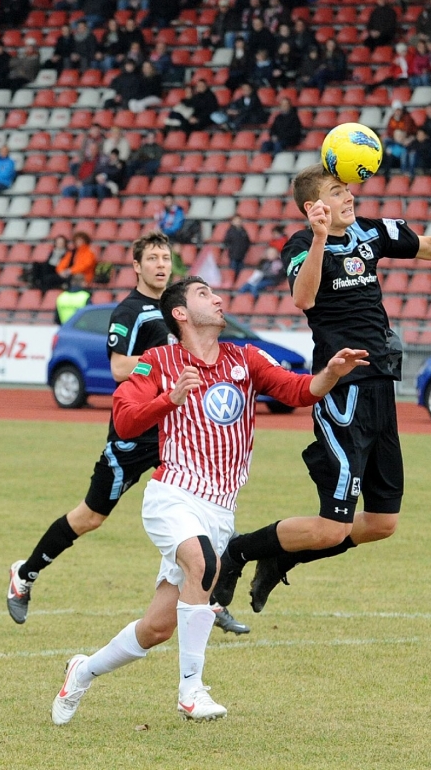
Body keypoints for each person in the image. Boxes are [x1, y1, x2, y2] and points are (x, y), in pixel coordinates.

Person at [49, 275, 369, 726]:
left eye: (214, 293)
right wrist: (169, 398)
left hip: (219, 509)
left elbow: (297, 390)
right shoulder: (156, 361)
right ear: (180, 313)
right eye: (204, 294)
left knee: (157, 627)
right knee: (203, 562)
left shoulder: (245, 358)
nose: (217, 298)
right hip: (173, 495)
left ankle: (82, 671)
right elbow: (124, 421)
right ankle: (190, 691)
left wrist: (330, 373)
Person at [213, 162, 431, 614]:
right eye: (336, 190)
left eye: (347, 188)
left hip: (381, 386)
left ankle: (281, 557)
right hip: (342, 392)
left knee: (383, 522)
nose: (349, 196)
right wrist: (320, 239)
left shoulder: (371, 231)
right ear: (314, 207)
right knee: (332, 527)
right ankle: (238, 552)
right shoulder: (302, 244)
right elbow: (303, 298)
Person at [8, 234, 249, 637]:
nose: (161, 264)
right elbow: (119, 368)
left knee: (202, 503)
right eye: (152, 258)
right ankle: (24, 574)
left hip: (174, 431)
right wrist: (166, 362)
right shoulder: (130, 311)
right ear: (136, 266)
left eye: (165, 257)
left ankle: (206, 594)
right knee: (90, 517)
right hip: (134, 435)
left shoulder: (179, 308)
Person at [224, 214, 251, 284]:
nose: (238, 222)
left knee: (240, 271)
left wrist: (245, 249)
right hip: (233, 255)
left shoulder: (243, 230)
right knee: (233, 271)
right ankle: (232, 283)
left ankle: (238, 283)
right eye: (236, 220)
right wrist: (231, 249)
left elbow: (247, 241)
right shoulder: (230, 231)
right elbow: (226, 242)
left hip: (241, 255)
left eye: (239, 220)